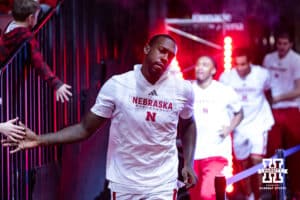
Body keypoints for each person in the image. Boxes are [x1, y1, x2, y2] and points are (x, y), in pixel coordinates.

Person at [3, 34, 198, 199]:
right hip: (124, 183)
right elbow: (84, 128)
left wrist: (188, 162)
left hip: (162, 182)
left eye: (170, 55)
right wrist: (38, 140)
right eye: (161, 50)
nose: (165, 57)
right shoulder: (118, 85)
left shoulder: (182, 90)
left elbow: (189, 124)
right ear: (147, 49)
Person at [219, 48, 274, 199]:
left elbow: (269, 92)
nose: (240, 68)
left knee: (258, 160)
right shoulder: (226, 77)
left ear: (250, 62)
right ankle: (249, 194)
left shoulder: (262, 74)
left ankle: (262, 194)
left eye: (243, 64)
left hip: (259, 122)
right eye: (237, 64)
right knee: (242, 164)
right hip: (238, 126)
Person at [189, 56, 243, 200]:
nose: (200, 67)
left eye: (205, 65)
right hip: (192, 155)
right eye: (198, 64)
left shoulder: (224, 91)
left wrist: (229, 129)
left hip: (216, 152)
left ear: (213, 70)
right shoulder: (188, 91)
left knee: (208, 194)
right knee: (195, 197)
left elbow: (239, 113)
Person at [0, 0, 72, 103]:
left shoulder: (9, 27)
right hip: (9, 83)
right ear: (30, 18)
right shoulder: (26, 37)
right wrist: (56, 84)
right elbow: (38, 62)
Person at [262, 30, 300, 199]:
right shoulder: (268, 59)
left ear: (290, 44)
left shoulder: (297, 60)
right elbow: (263, 83)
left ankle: (297, 191)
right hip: (272, 111)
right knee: (272, 150)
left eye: (285, 44)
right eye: (279, 43)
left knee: (295, 151)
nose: (282, 47)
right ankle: (273, 190)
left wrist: (278, 97)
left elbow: (299, 90)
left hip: (291, 109)